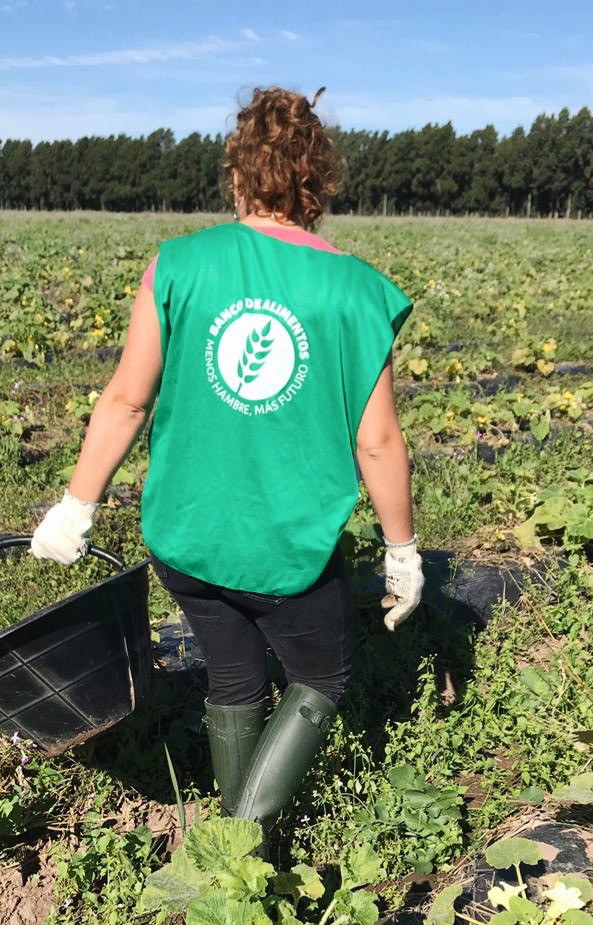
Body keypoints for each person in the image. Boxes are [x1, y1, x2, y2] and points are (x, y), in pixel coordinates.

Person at [30, 86, 424, 841]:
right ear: (318, 183)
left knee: (235, 678)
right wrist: (401, 551)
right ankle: (242, 842)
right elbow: (377, 441)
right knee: (321, 677)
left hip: (188, 535)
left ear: (238, 175)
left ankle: (234, 852)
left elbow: (125, 400)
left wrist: (76, 505)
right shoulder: (358, 291)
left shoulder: (179, 265)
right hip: (288, 552)